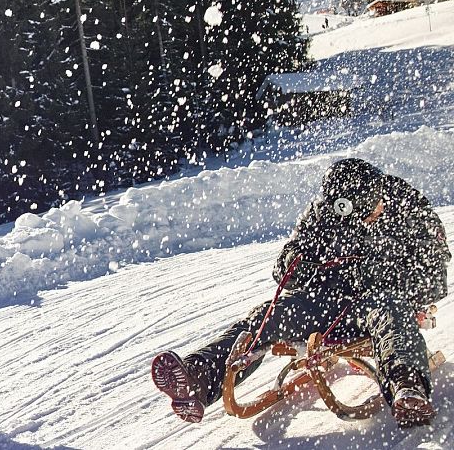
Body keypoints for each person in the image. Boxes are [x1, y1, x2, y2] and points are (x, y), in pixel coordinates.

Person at [151, 158, 450, 427]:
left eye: (374, 204)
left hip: (379, 301)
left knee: (392, 314)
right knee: (266, 317)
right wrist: (295, 265)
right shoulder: (325, 213)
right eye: (365, 209)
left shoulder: (409, 209)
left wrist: (384, 276)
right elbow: (285, 264)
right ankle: (197, 379)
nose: (375, 210)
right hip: (324, 301)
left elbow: (434, 278)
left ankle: (407, 387)